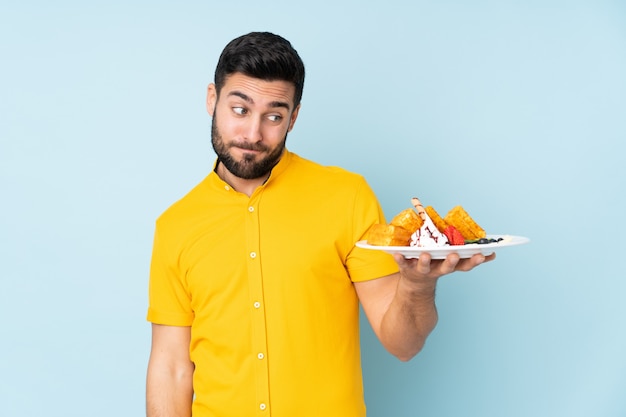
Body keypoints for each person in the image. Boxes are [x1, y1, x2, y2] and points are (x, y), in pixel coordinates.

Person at [145, 31, 494, 417]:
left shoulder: (347, 197)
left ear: (293, 118)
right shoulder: (175, 225)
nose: (253, 133)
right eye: (240, 110)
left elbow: (404, 344)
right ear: (212, 99)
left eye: (274, 116)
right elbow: (171, 368)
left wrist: (416, 285)